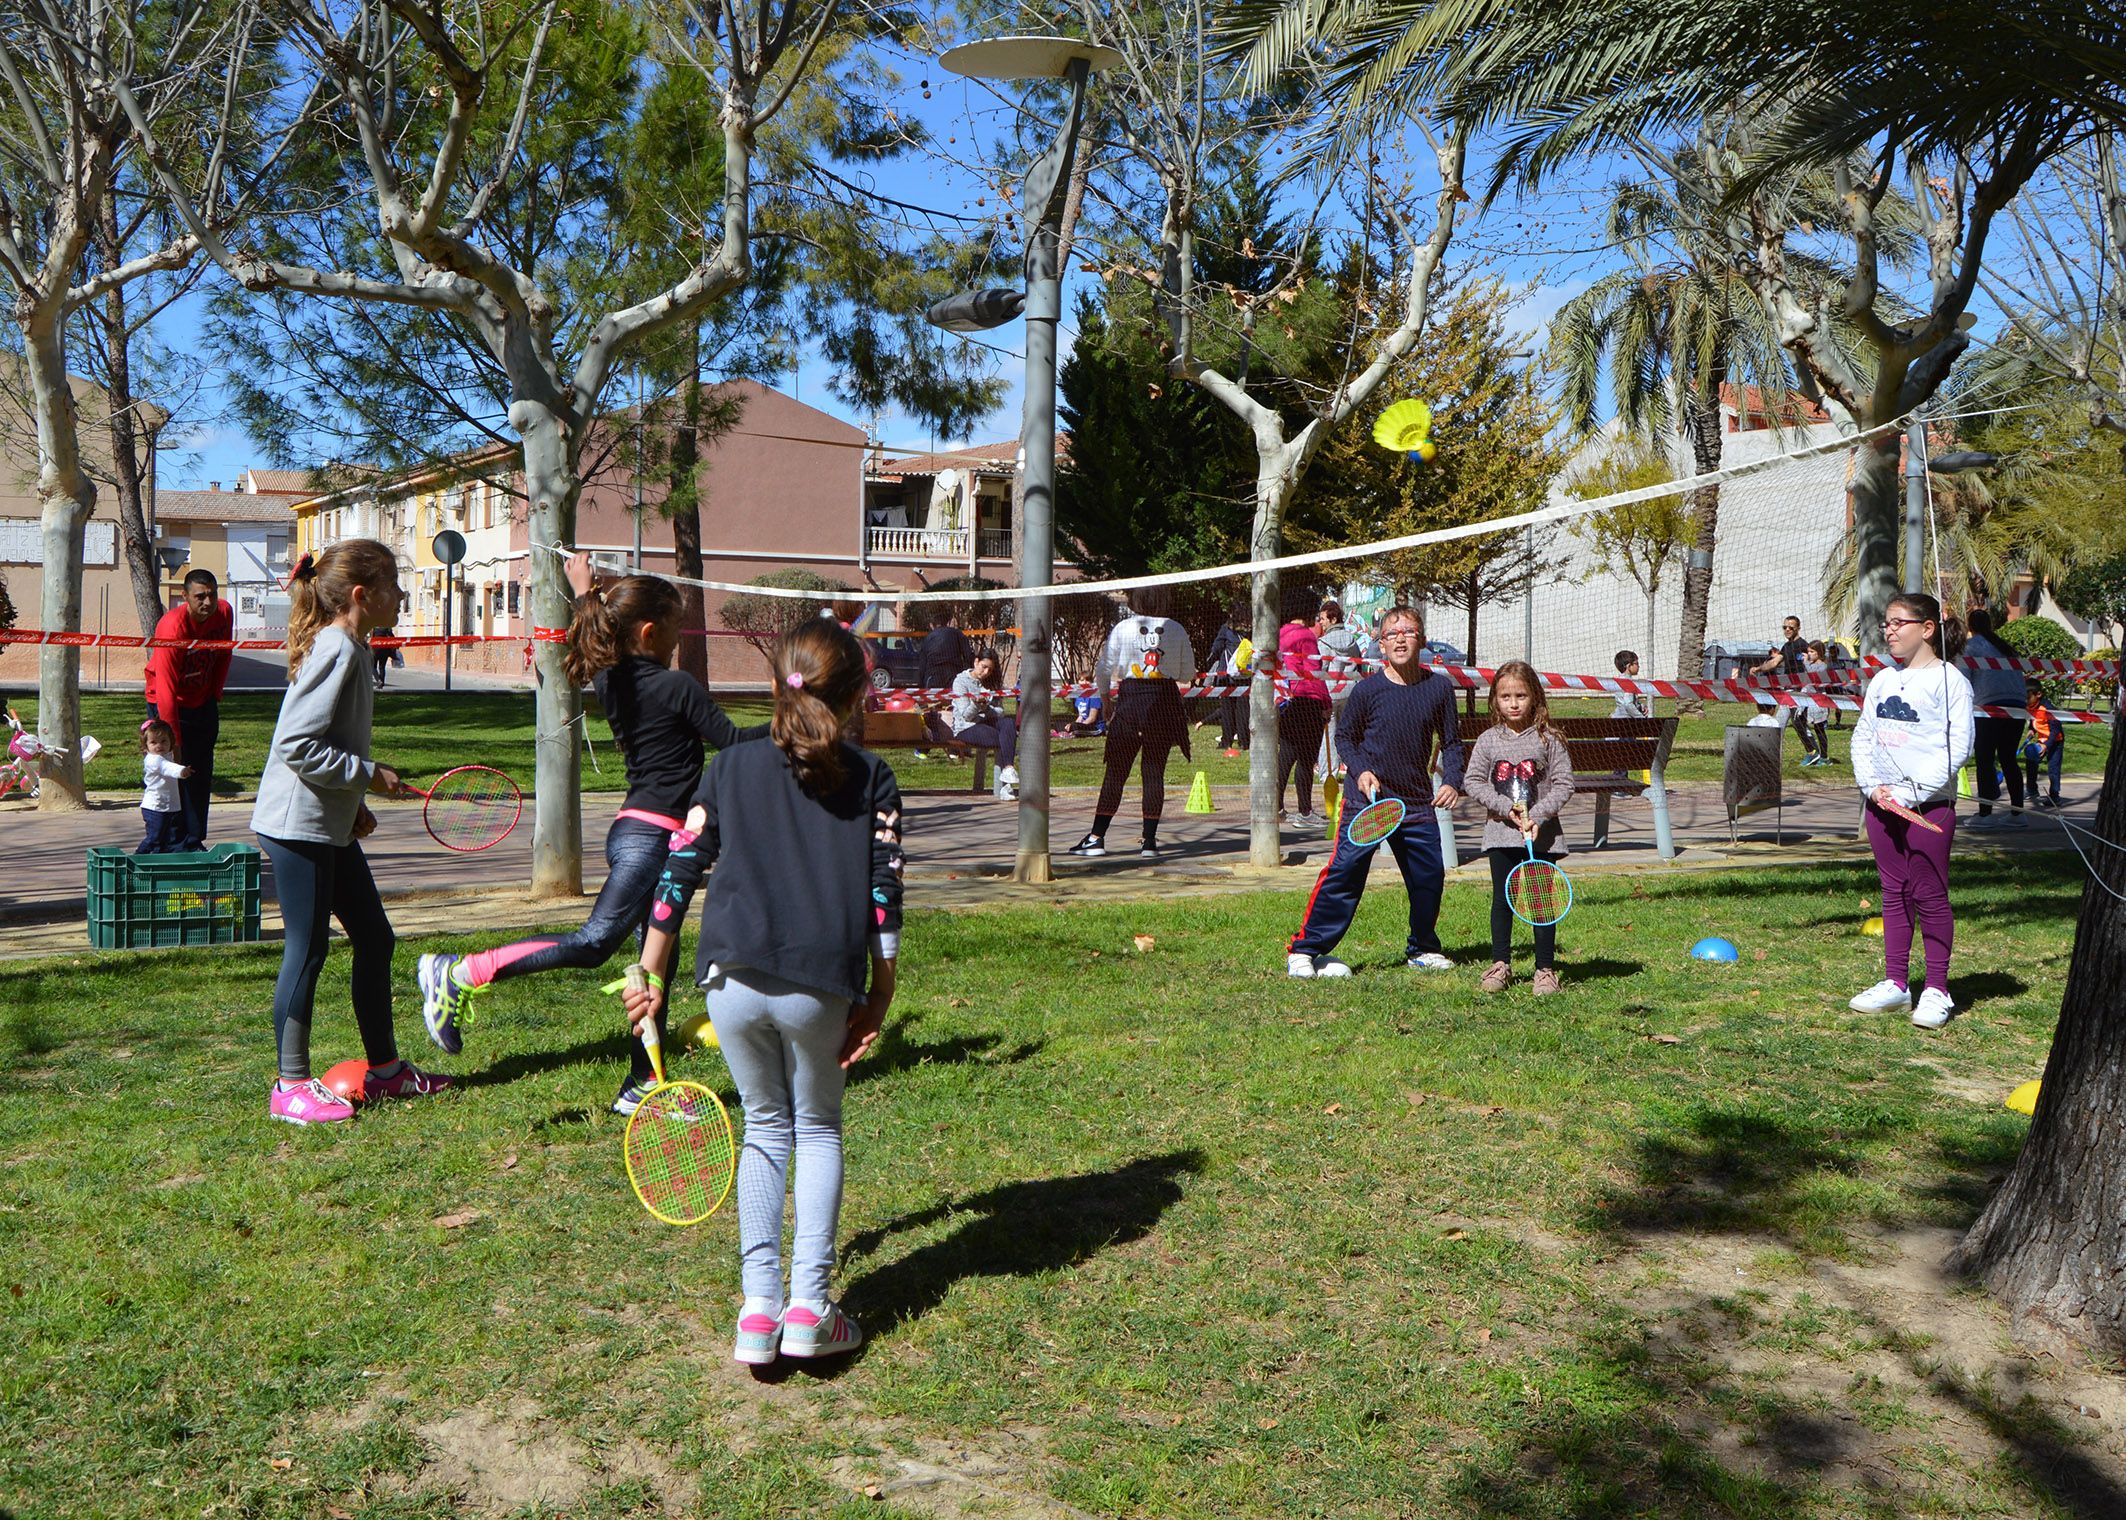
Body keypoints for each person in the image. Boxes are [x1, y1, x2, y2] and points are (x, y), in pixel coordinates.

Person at [623, 617, 902, 1364]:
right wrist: (879, 994)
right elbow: (885, 897)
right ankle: (809, 1308)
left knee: (765, 1129)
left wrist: (649, 974)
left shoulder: (729, 768)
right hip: (821, 984)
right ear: (856, 694)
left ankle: (759, 1311)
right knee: (816, 1130)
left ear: (779, 683)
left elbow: (678, 870)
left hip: (730, 982)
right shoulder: (872, 776)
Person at [415, 554, 767, 1113]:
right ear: (651, 632)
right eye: (676, 629)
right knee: (594, 944)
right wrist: (794, 721)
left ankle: (642, 1084)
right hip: (653, 839)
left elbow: (597, 639)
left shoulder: (611, 679)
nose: (679, 639)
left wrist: (585, 595)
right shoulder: (676, 687)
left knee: (655, 966)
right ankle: (460, 971)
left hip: (639, 832)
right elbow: (735, 743)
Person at [252, 542, 450, 1124]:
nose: (402, 593)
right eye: (393, 583)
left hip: (326, 822)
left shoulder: (355, 647)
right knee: (308, 948)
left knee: (376, 937)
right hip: (297, 827)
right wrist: (369, 777)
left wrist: (353, 800)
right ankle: (289, 1087)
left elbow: (327, 745)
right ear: (362, 596)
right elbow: (295, 745)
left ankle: (385, 1072)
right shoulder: (338, 649)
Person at [1286, 604, 1466, 977]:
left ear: (1423, 641)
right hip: (1366, 801)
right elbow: (1345, 737)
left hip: (1416, 801)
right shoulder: (1367, 690)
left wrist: (1452, 780)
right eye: (1392, 634)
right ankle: (1304, 949)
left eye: (1409, 632)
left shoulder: (1439, 689)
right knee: (1346, 871)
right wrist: (1362, 770)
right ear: (1380, 646)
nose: (1400, 638)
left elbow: (1452, 742)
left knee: (1428, 876)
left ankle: (1423, 947)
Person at [1849, 592, 1973, 1030]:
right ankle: (1897, 983)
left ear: (1927, 628)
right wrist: (1872, 786)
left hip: (1927, 809)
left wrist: (1910, 793)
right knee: (1894, 892)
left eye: (1899, 622)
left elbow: (1957, 747)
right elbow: (1864, 736)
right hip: (1881, 804)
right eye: (1886, 622)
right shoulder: (1883, 680)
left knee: (1929, 894)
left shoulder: (1950, 681)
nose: (1889, 630)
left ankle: (1937, 988)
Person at [1462, 663, 1576, 995]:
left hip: (1540, 837)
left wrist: (1538, 817)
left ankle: (1544, 969)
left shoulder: (1549, 739)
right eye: (1505, 696)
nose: (1513, 703)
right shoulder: (1488, 740)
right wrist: (1503, 808)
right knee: (1503, 898)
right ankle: (1501, 964)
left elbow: (1564, 784)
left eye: (1521, 696)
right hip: (1501, 834)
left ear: (1535, 697)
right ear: (1494, 700)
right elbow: (1473, 781)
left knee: (1541, 901)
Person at [1069, 591, 1196, 859]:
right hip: (1164, 704)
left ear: (1135, 600)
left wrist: (1105, 698)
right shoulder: (1175, 629)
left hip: (1131, 703)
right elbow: (1187, 673)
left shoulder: (1123, 628)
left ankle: (1096, 838)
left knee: (1116, 772)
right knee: (1153, 773)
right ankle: (1148, 842)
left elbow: (1104, 668)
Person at [145, 568, 234, 849]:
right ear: (184, 597)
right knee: (170, 774)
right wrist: (175, 742)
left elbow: (225, 653)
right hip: (168, 703)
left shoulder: (224, 612)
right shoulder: (172, 627)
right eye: (200, 597)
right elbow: (166, 688)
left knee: (200, 772)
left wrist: (215, 693)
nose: (208, 602)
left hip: (203, 701)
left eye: (212, 594)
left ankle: (193, 840)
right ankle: (167, 841)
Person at [1961, 608, 2028, 829]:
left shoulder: (1970, 647)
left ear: (1970, 626)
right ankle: (2018, 813)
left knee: (1985, 758)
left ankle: (1985, 813)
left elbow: (1962, 680)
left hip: (1988, 706)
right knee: (2009, 758)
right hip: (2017, 705)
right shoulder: (2005, 647)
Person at [1276, 602, 1333, 824]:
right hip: (1308, 701)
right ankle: (1305, 811)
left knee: (1285, 756)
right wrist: (1326, 702)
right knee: (1306, 759)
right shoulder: (1306, 637)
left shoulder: (1279, 634)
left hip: (1286, 700)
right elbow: (1313, 672)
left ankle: (1277, 807)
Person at [1752, 615, 1827, 765]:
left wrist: (1808, 689)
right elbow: (1774, 662)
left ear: (1798, 628)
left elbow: (1815, 667)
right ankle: (1770, 756)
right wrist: (1758, 668)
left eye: (1790, 627)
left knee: (1799, 722)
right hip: (1789, 691)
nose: (1787, 630)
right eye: (1784, 627)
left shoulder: (1803, 646)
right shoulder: (1786, 646)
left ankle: (1814, 753)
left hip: (1802, 691)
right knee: (1780, 723)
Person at [950, 648, 1020, 800]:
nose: (986, 672)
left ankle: (1008, 769)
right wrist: (977, 705)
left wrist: (987, 708)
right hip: (967, 727)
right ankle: (1005, 787)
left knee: (1008, 723)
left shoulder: (992, 682)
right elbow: (966, 716)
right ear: (976, 662)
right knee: (1004, 738)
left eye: (990, 669)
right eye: (983, 666)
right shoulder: (960, 682)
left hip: (989, 721)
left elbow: (1000, 711)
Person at [1315, 599, 1364, 774]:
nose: (1320, 622)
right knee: (1348, 734)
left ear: (1333, 619)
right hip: (1351, 691)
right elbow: (1359, 665)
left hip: (1330, 693)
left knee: (1328, 736)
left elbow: (1320, 670)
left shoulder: (1323, 642)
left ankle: (1329, 773)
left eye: (1322, 618)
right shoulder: (1352, 639)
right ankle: (1355, 769)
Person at [136, 719, 191, 854]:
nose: (159, 745)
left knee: (164, 838)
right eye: (153, 742)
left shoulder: (166, 756)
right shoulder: (154, 760)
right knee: (154, 837)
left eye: (164, 741)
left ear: (171, 743)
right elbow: (168, 768)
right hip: (155, 807)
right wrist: (182, 771)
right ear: (145, 746)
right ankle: (138, 857)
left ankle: (157, 859)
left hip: (167, 806)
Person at [1205, 601, 1252, 756]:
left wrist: (1206, 667)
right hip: (1244, 674)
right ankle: (1245, 741)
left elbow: (1216, 649)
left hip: (1226, 675)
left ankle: (1227, 741)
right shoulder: (1251, 631)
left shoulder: (1226, 629)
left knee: (1227, 710)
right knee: (1243, 710)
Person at [2022, 678, 2064, 808]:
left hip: (2055, 741)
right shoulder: (2031, 706)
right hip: (2042, 740)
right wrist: (2031, 730)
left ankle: (2055, 795)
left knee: (2053, 769)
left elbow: (2055, 729)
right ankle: (2032, 790)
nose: (2026, 701)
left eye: (2028, 698)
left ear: (2038, 694)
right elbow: (2036, 722)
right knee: (2031, 763)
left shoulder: (2047, 709)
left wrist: (2047, 745)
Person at [916, 608, 975, 696]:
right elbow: (968, 655)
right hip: (953, 673)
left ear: (932, 625)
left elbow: (922, 663)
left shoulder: (928, 638)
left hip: (933, 675)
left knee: (934, 703)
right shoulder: (958, 634)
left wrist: (920, 684)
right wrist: (967, 674)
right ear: (948, 623)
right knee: (953, 701)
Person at [1801, 640, 1835, 763]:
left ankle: (1824, 756)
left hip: (1819, 699)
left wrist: (1805, 663)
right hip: (1808, 698)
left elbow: (1813, 676)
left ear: (1819, 653)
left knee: (1819, 729)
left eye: (1812, 651)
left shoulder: (1822, 665)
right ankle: (1814, 751)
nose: (1809, 654)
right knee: (1801, 722)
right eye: (1808, 651)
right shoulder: (1811, 664)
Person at [1610, 650, 1651, 720]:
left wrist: (1640, 706)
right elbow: (1628, 705)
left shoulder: (1620, 680)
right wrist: (1641, 718)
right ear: (1629, 666)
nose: (1639, 666)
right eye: (1636, 663)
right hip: (1626, 722)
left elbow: (1624, 702)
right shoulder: (1627, 682)